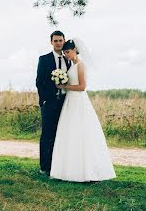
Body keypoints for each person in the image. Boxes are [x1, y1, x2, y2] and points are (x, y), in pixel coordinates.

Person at [50, 38, 116, 182]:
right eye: (64, 52)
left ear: (75, 50)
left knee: (81, 132)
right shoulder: (71, 66)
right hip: (70, 102)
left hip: (78, 101)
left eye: (67, 52)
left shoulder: (80, 66)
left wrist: (64, 87)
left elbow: (82, 87)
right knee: (70, 133)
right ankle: (69, 170)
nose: (66, 54)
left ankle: (87, 170)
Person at [36, 30, 71, 175]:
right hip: (49, 103)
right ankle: (45, 167)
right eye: (55, 41)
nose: (58, 43)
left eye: (60, 40)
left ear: (64, 41)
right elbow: (39, 82)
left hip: (65, 103)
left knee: (61, 134)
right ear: (51, 42)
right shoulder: (44, 59)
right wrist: (44, 100)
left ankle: (58, 166)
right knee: (47, 135)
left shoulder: (69, 60)